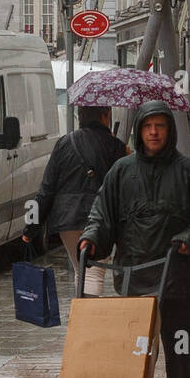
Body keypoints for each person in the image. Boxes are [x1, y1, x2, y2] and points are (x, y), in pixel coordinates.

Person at [79, 100, 190, 378]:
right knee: (136, 340)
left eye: (160, 126)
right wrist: (91, 239)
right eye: (147, 127)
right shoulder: (121, 172)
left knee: (179, 335)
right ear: (139, 131)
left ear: (169, 130)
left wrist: (187, 241)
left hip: (178, 273)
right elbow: (103, 214)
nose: (154, 133)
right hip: (135, 271)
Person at [22, 104, 127, 295]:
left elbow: (46, 189)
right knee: (94, 273)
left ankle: (81, 317)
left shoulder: (64, 143)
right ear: (106, 116)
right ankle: (87, 318)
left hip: (67, 219)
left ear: (81, 116)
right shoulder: (116, 146)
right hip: (100, 217)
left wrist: (31, 227)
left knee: (80, 270)